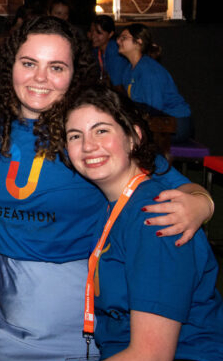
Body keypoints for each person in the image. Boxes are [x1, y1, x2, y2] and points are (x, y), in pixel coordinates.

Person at [0, 16, 214, 361]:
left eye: (56, 67)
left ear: (74, 73)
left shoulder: (89, 132)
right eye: (28, 63)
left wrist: (202, 202)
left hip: (73, 311)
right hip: (4, 302)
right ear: (10, 66)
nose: (40, 77)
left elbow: (167, 182)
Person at [63, 84, 223, 360]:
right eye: (75, 136)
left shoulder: (157, 217)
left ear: (133, 137)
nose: (88, 145)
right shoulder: (114, 205)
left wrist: (203, 201)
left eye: (102, 130)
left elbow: (151, 355)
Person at [116, 23, 191, 143]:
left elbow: (153, 109)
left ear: (139, 42)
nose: (118, 41)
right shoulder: (128, 70)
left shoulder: (149, 70)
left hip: (174, 124)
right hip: (155, 121)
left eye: (124, 38)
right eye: (119, 38)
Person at [88, 14, 129, 87]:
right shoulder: (96, 50)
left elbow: (118, 86)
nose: (93, 36)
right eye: (91, 31)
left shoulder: (115, 52)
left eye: (98, 33)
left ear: (110, 34)